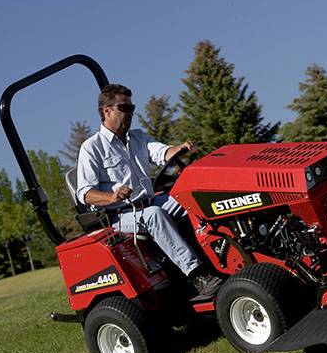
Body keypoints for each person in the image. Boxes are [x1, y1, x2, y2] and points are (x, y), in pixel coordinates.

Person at [76, 83, 222, 297]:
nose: (131, 113)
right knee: (155, 215)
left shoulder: (138, 137)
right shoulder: (92, 147)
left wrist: (179, 149)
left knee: (191, 198)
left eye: (132, 108)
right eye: (124, 108)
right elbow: (85, 193)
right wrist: (112, 196)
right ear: (107, 111)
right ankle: (198, 275)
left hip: (150, 202)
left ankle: (220, 252)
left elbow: (162, 152)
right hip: (120, 216)